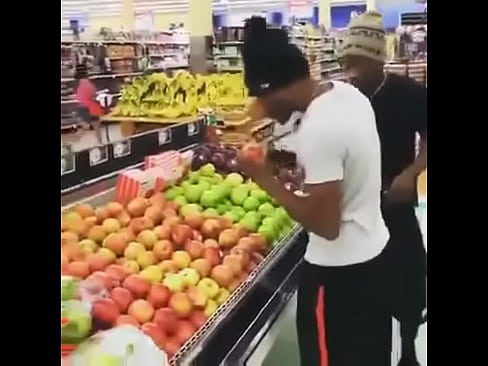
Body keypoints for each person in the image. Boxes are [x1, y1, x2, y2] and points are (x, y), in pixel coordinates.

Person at [239, 17, 391, 366]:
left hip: (338, 277)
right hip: (375, 257)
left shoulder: (318, 129)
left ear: (271, 89)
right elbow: (347, 175)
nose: (262, 112)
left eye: (259, 99)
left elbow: (326, 225)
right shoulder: (346, 95)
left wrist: (265, 179)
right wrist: (301, 181)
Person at [338, 11, 427, 366]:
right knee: (363, 287)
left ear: (377, 58)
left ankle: (407, 348)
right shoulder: (340, 96)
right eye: (348, 60)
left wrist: (412, 174)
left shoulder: (409, 92)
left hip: (396, 203)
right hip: (355, 208)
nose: (352, 68)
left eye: (359, 60)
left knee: (408, 279)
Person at [74, 63, 104, 144]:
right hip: (92, 107)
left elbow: (78, 96)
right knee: (96, 126)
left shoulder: (76, 83)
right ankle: (100, 142)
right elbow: (93, 93)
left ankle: (74, 143)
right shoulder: (89, 83)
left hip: (82, 107)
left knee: (84, 127)